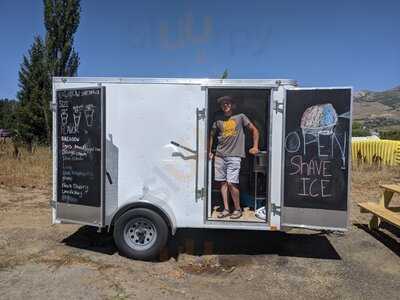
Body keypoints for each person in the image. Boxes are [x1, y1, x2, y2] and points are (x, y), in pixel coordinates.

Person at [209, 95, 259, 219]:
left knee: (232, 183)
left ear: (233, 105)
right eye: (223, 104)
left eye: (228, 103)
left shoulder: (241, 117)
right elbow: (211, 135)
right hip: (220, 155)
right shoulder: (217, 118)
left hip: (234, 155)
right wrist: (209, 151)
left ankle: (237, 209)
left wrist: (255, 147)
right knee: (222, 183)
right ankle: (226, 209)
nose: (225, 105)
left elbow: (255, 130)